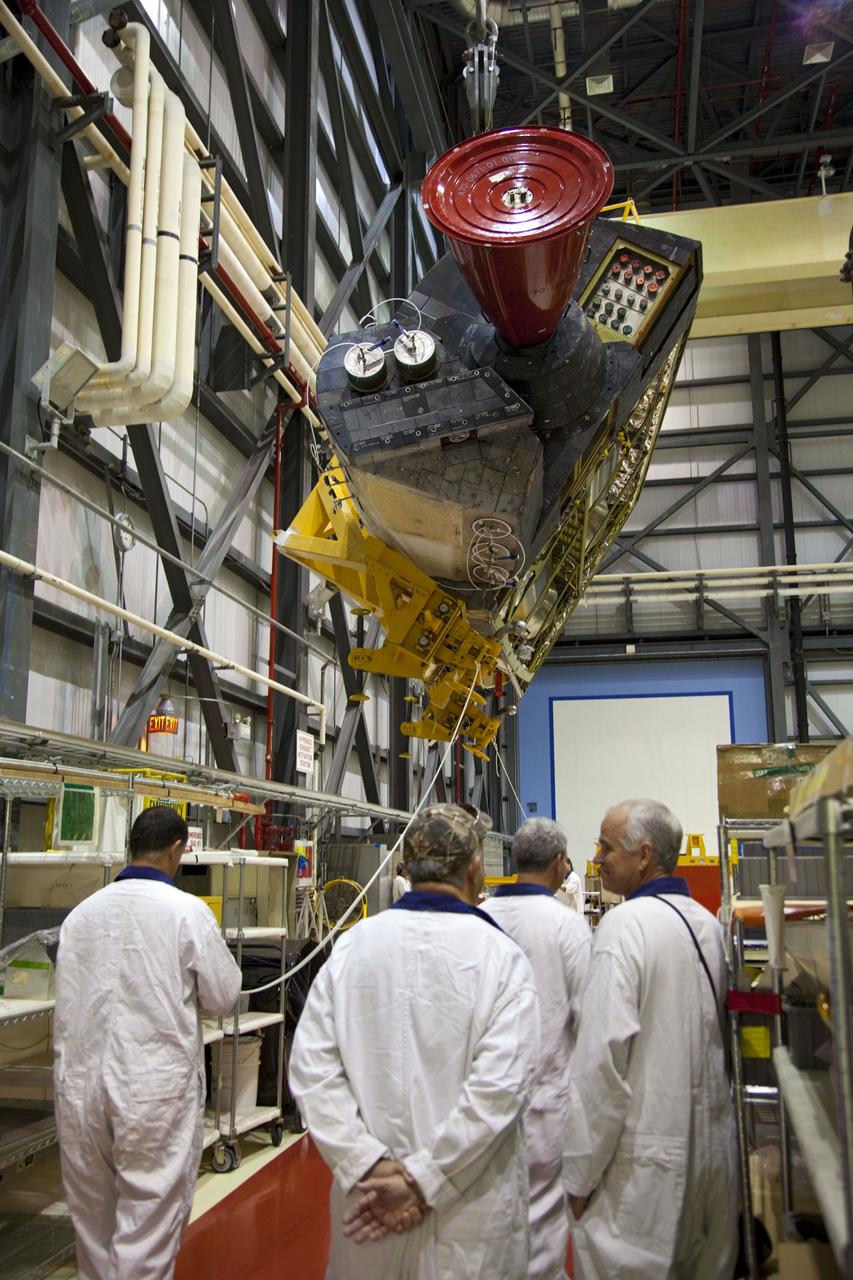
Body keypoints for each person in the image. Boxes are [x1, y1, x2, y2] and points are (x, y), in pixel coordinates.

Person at [289, 803, 540, 1279]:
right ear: (473, 868)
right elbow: (500, 1089)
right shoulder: (501, 958)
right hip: (468, 1212)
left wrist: (366, 1165)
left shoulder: (354, 948)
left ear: (411, 865)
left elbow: (312, 1070)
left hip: (371, 1207)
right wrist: (426, 1180)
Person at [54, 807, 242, 1280]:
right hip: (152, 1088)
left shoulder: (82, 914)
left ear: (131, 848)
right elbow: (222, 997)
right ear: (177, 849)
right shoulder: (186, 912)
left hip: (79, 1085)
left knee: (92, 1222)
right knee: (148, 1221)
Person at [563, 799, 737, 1280]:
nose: (597, 858)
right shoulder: (706, 924)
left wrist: (578, 1175)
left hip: (645, 1177)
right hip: (713, 1157)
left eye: (605, 846)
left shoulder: (625, 927)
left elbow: (602, 1063)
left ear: (642, 856)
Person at [481, 818, 591, 1280]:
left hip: (479, 1106)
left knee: (484, 1226)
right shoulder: (566, 927)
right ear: (559, 864)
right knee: (542, 1235)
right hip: (545, 1105)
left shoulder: (480, 916)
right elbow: (591, 1018)